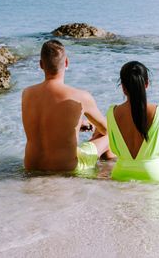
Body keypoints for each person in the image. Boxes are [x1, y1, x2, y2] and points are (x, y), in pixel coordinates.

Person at [22, 39, 111, 173]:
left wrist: (76, 124)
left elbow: (46, 121)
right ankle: (107, 173)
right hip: (67, 168)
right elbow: (106, 130)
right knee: (108, 136)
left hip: (31, 167)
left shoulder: (27, 93)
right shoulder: (81, 96)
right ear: (67, 62)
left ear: (41, 64)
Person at [107, 61, 159, 183]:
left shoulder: (112, 112)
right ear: (146, 84)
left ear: (123, 87)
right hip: (152, 175)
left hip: (120, 174)